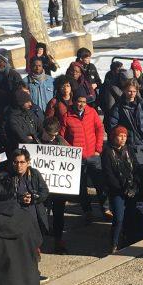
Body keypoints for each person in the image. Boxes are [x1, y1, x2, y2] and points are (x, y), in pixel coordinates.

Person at [61, 92, 106, 221]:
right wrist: (71, 152)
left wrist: (98, 149)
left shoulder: (91, 112)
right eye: (79, 101)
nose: (82, 104)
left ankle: (106, 209)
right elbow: (62, 138)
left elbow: (99, 129)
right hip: (77, 158)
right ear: (74, 102)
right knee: (81, 187)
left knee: (100, 183)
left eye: (84, 102)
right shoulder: (67, 116)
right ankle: (87, 211)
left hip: (93, 155)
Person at [100, 125, 143, 253]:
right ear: (114, 137)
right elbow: (109, 175)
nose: (123, 138)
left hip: (131, 188)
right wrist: (122, 189)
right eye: (120, 136)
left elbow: (136, 168)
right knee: (119, 217)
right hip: (117, 191)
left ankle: (128, 238)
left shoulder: (128, 150)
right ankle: (114, 243)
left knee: (130, 215)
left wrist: (136, 186)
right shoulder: (107, 152)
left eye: (125, 136)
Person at [2, 147, 51, 244]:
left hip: (33, 214)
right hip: (15, 216)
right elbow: (2, 196)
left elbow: (44, 191)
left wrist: (33, 198)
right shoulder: (7, 176)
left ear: (28, 162)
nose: (19, 165)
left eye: (22, 162)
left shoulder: (34, 174)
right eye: (16, 162)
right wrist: (19, 199)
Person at [38, 117, 71, 253]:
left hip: (58, 188)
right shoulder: (36, 142)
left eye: (55, 134)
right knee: (40, 215)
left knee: (58, 215)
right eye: (49, 135)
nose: (52, 137)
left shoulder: (62, 142)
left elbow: (71, 160)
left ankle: (58, 240)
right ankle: (37, 245)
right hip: (41, 187)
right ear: (44, 130)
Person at [106, 78, 143, 145]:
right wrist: (119, 138)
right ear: (124, 90)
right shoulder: (118, 106)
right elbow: (112, 124)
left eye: (134, 91)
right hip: (126, 143)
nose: (132, 94)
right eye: (129, 91)